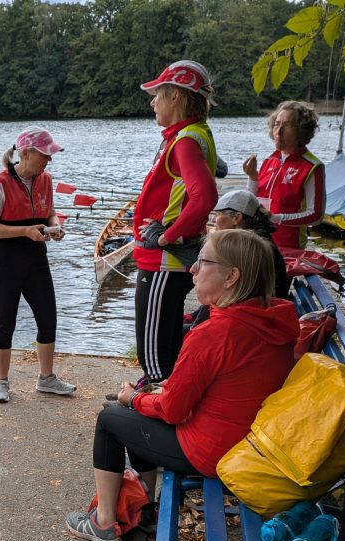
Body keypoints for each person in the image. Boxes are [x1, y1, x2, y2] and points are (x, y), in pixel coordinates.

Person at [65, 229, 299, 541]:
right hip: (248, 442)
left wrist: (135, 398)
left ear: (231, 276)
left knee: (112, 418)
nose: (192, 269)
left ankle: (104, 523)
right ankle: (144, 511)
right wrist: (148, 399)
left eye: (202, 262)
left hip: (215, 452)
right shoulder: (273, 318)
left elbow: (174, 410)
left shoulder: (215, 333)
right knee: (138, 413)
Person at [132, 60, 219, 386]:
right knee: (166, 340)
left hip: (163, 261)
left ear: (176, 97)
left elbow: (205, 196)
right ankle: (156, 395)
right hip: (173, 259)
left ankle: (151, 408)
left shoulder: (184, 140)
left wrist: (168, 236)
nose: (153, 102)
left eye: (158, 94)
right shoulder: (196, 134)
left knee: (153, 352)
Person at [0, 126, 75, 404]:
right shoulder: (0, 181)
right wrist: (25, 232)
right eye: (46, 154)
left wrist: (55, 227)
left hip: (35, 257)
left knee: (48, 317)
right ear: (26, 153)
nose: (50, 159)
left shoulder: (45, 179)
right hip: (4, 259)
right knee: (4, 322)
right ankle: (2, 382)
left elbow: (49, 213)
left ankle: (46, 379)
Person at [243, 101, 325, 251]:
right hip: (259, 243)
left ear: (301, 130)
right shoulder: (270, 160)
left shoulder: (311, 166)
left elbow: (316, 215)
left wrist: (276, 219)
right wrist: (253, 177)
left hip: (288, 247)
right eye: (276, 124)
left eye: (287, 125)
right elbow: (252, 200)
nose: (279, 131)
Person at [211, 189, 289, 299]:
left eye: (218, 214)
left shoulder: (250, 246)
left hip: (259, 310)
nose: (213, 220)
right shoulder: (256, 239)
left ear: (236, 218)